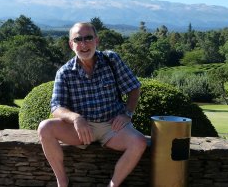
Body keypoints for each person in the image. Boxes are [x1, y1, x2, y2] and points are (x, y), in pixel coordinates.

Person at [38, 22, 147, 187]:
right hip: (82, 130)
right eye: (78, 39)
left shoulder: (111, 60)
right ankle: (62, 182)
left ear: (97, 41)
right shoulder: (65, 72)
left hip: (112, 127)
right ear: (71, 44)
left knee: (139, 142)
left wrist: (127, 114)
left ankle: (113, 184)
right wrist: (76, 118)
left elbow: (134, 87)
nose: (83, 44)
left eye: (88, 38)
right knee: (44, 128)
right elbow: (56, 107)